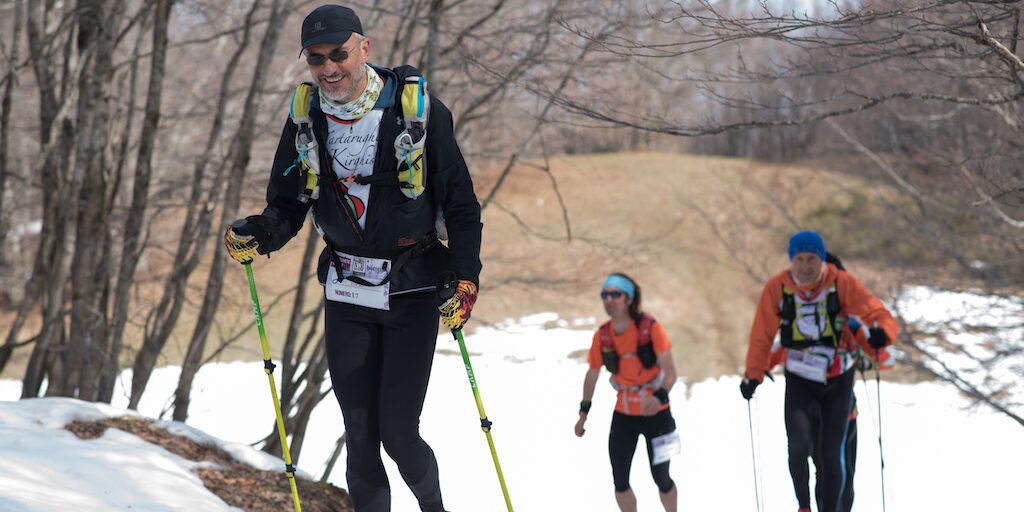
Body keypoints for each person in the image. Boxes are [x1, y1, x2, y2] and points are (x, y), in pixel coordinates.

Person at [224, 5, 482, 511]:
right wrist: (260, 232)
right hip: (346, 290)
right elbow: (289, 203)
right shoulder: (307, 117)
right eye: (316, 59)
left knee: (398, 434)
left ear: (364, 48)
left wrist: (465, 277)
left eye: (339, 54)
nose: (329, 68)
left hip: (411, 288)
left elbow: (461, 204)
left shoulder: (419, 110)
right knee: (359, 434)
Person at [740, 232, 897, 512]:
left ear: (821, 258)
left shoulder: (842, 284)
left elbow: (875, 312)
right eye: (799, 259)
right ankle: (804, 506)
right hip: (800, 376)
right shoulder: (777, 288)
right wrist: (754, 374)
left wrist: (882, 334)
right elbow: (762, 335)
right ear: (790, 260)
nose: (805, 266)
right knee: (798, 447)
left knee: (829, 454)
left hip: (838, 379)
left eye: (811, 258)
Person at [575, 273, 679, 512]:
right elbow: (592, 373)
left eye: (615, 294)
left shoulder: (650, 328)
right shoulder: (602, 335)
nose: (609, 300)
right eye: (605, 295)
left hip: (658, 415)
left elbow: (671, 372)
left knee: (661, 477)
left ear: (629, 298)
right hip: (624, 415)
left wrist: (658, 397)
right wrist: (583, 412)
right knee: (620, 480)